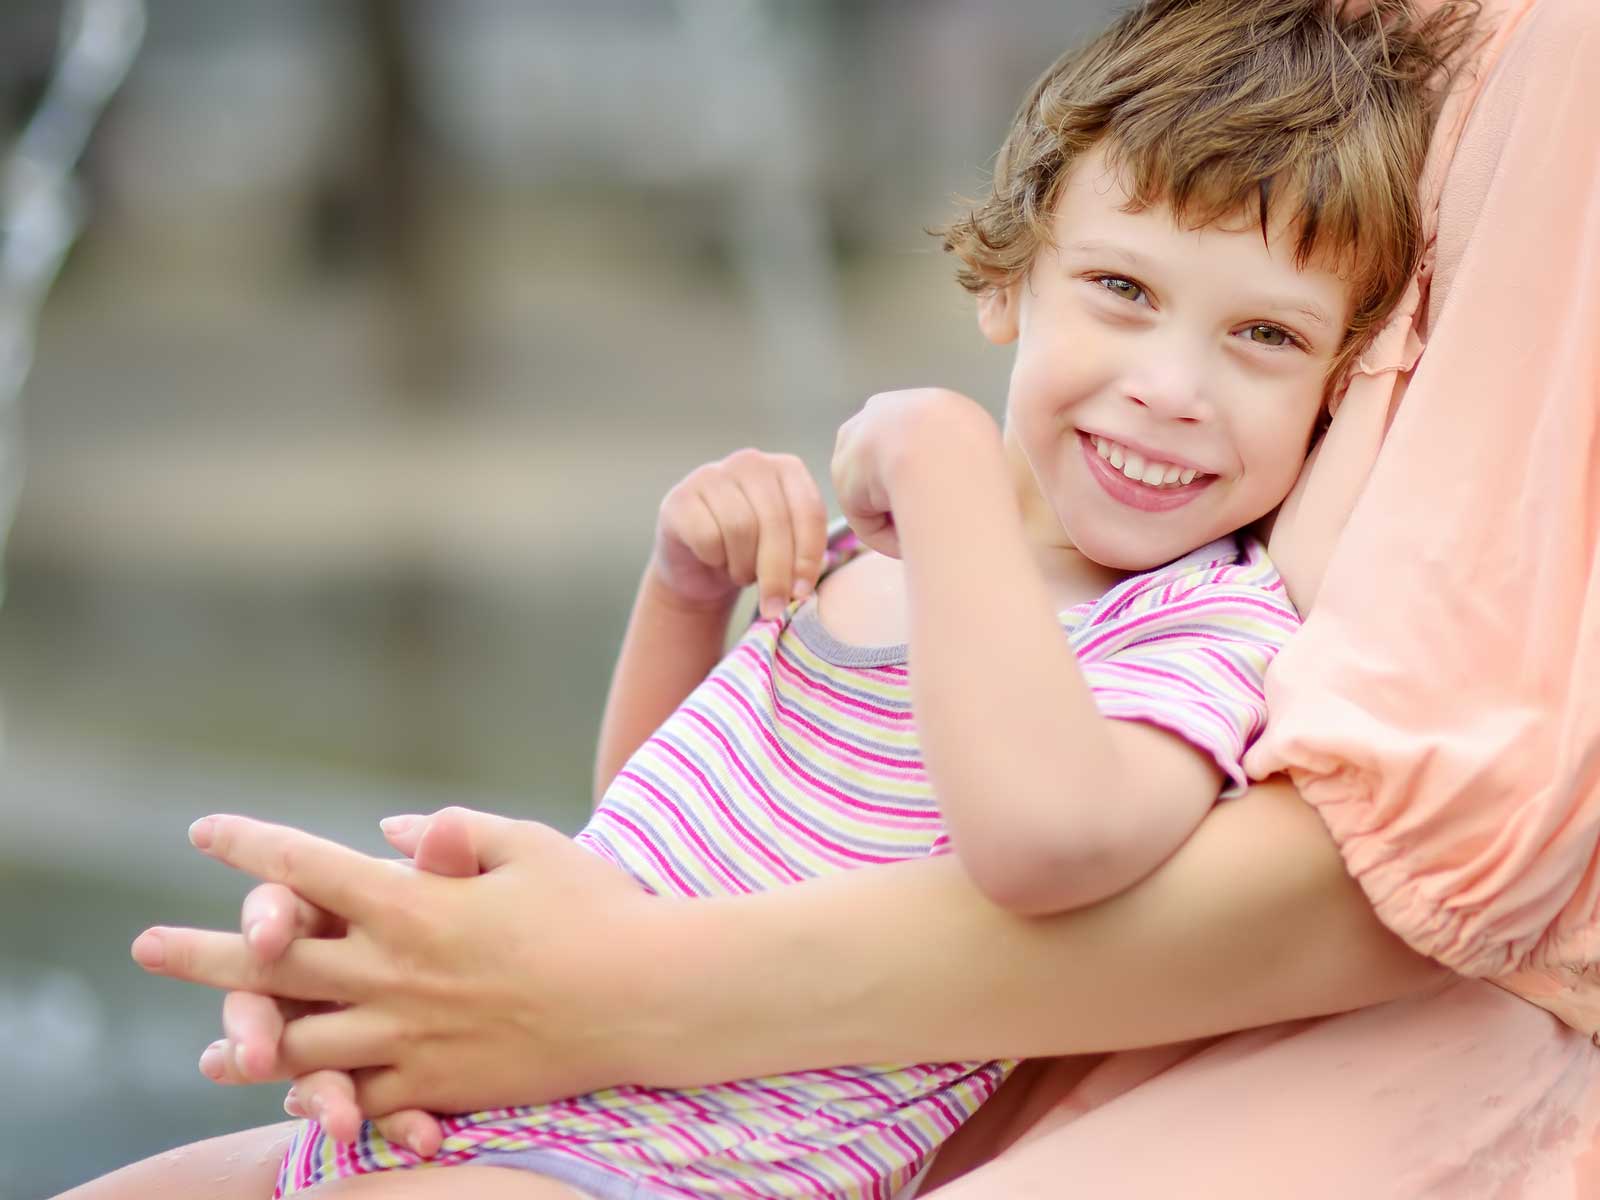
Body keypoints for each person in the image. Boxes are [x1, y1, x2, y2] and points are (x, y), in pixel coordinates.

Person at [74, 0, 1600, 1195]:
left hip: (669, 1165)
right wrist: (684, 596)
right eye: (1123, 293)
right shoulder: (890, 564)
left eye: (1263, 338)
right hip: (540, 1101)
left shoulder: (1202, 636)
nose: (1169, 388)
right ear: (1008, 279)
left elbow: (1048, 844)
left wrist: (941, 464)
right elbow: (656, 826)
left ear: (1339, 399)